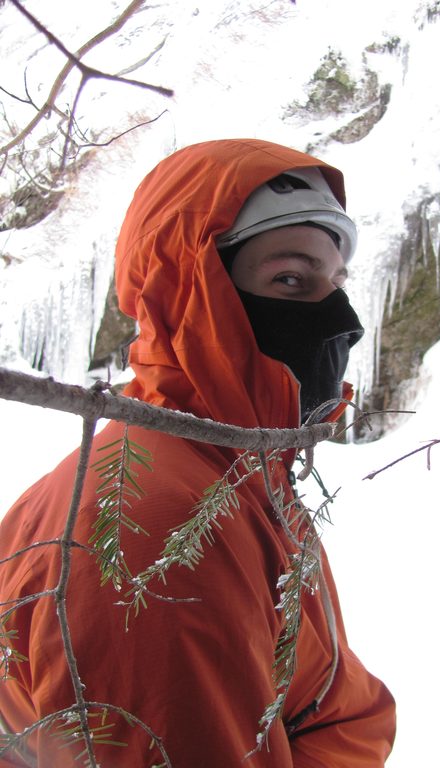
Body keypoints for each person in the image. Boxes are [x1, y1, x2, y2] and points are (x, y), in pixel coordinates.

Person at [0, 139, 396, 767]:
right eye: (290, 279)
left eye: (335, 280)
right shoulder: (153, 526)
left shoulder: (232, 470)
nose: (340, 317)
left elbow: (324, 698)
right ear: (192, 290)